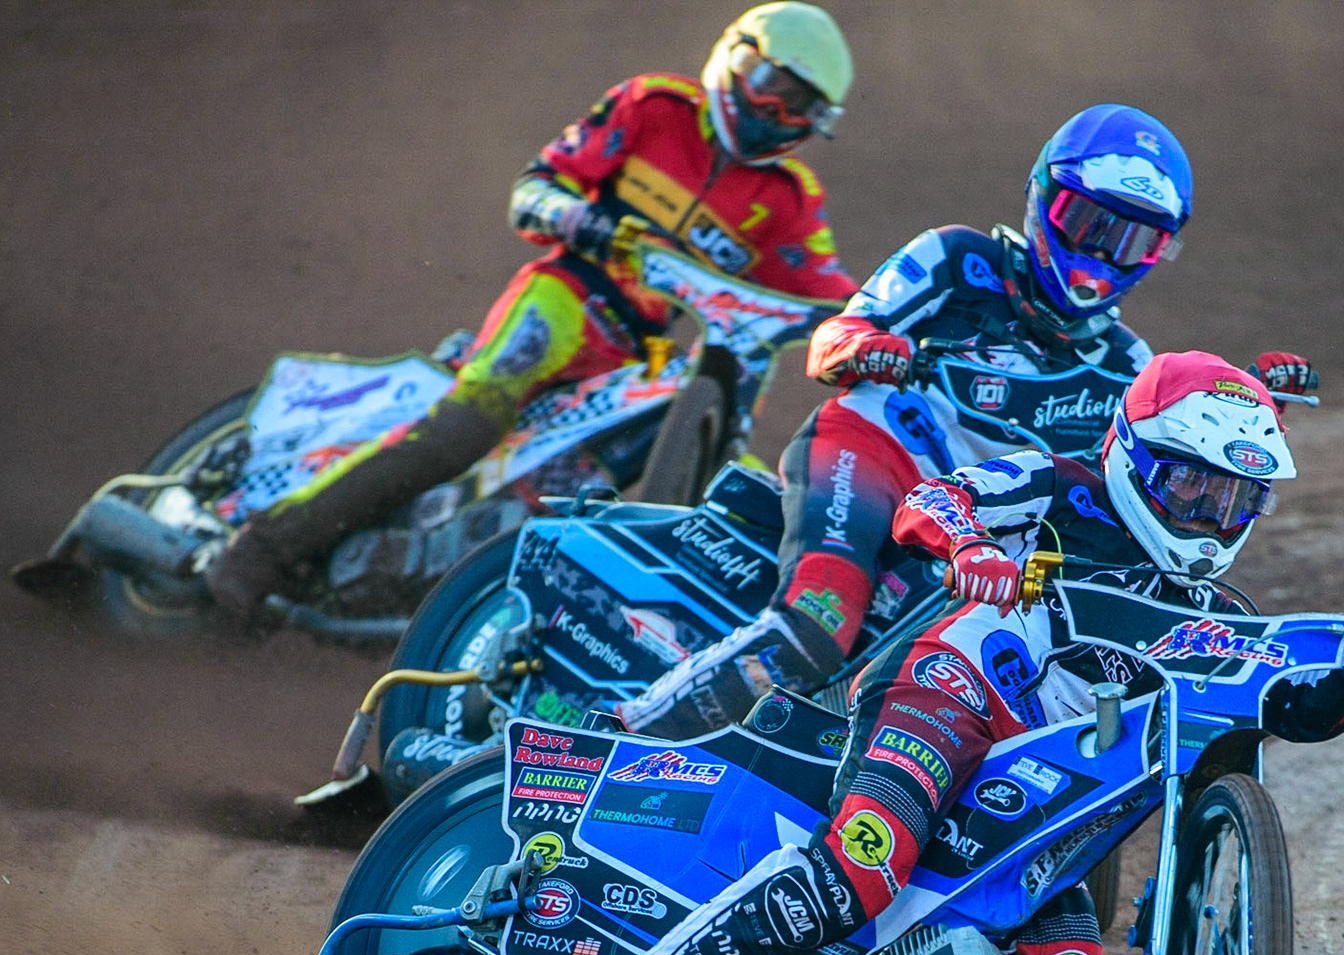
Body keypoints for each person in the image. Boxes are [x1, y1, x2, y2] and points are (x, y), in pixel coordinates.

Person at [550, 351, 1344, 955]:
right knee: (863, 866)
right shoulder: (1061, 485)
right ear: (1135, 456)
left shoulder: (1220, 612)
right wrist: (971, 548)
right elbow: (932, 501)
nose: (1209, 519)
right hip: (953, 693)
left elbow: (1297, 712)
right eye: (1190, 486)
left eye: (1235, 500)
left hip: (1042, 800)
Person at [616, 102, 1320, 737]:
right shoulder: (959, 260)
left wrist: (1250, 415)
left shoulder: (1131, 363)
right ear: (1046, 198)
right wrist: (871, 347)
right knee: (819, 624)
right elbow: (834, 338)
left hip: (978, 530)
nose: (1103, 254)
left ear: (1158, 252)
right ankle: (621, 736)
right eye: (1089, 225)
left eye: (1132, 241)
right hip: (878, 455)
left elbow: (1150, 472)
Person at [204, 3, 860, 618]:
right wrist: (589, 221)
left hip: (638, 355)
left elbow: (826, 285)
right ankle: (263, 549)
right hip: (564, 296)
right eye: (772, 83)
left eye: (799, 105)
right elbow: (535, 187)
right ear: (737, 57)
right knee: (468, 424)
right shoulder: (653, 107)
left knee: (587, 488)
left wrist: (880, 319)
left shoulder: (788, 200)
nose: (775, 109)